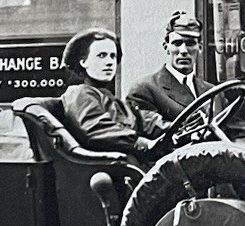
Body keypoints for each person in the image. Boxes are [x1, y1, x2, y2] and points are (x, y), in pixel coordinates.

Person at [126, 12, 245, 145]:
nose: (183, 50)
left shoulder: (214, 93)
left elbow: (241, 132)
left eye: (190, 43)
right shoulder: (145, 89)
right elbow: (158, 130)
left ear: (200, 47)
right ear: (166, 47)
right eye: (177, 43)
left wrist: (240, 152)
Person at [59, 27, 166, 156]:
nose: (109, 62)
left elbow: (143, 120)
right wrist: (139, 142)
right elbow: (96, 128)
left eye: (113, 56)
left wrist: (176, 128)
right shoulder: (79, 94)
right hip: (111, 168)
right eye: (101, 55)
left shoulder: (113, 100)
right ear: (83, 62)